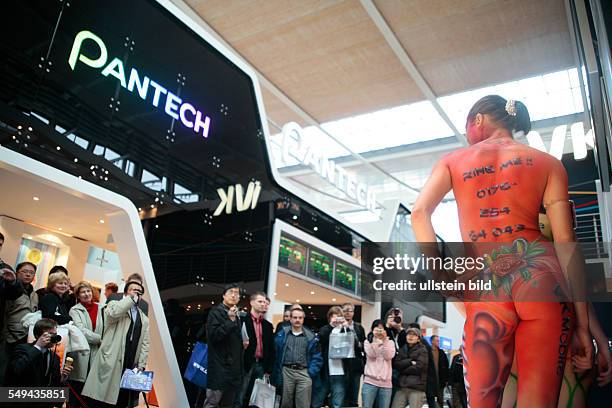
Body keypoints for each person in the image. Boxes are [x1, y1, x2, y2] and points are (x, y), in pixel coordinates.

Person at [411, 95, 593, 407]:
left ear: (478, 120)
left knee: (483, 400)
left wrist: (442, 276)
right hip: (542, 277)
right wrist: (584, 325)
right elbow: (566, 242)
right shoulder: (548, 163)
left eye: (467, 126)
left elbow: (419, 213)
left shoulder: (453, 162)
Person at [82, 280, 150, 407]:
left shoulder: (144, 318)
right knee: (103, 398)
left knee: (122, 398)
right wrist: (130, 300)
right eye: (133, 290)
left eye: (139, 292)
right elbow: (113, 315)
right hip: (112, 357)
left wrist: (141, 363)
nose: (136, 292)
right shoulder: (114, 304)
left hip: (130, 360)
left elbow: (145, 343)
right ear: (125, 293)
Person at [272, 307, 322, 408]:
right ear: (290, 319)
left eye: (300, 317)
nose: (297, 320)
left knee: (303, 404)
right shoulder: (282, 334)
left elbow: (317, 357)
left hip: (304, 372)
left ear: (303, 319)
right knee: (285, 403)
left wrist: (311, 372)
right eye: (295, 317)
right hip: (286, 371)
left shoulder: (311, 337)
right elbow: (275, 354)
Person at [203, 283, 244, 408]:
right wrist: (230, 320)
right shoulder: (215, 312)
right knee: (212, 403)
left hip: (233, 369)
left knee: (228, 404)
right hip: (219, 368)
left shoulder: (236, 315)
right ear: (223, 295)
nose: (234, 295)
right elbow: (214, 336)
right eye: (231, 292)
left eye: (236, 293)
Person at [233, 291, 275, 408]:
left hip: (261, 365)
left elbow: (271, 349)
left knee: (256, 399)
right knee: (239, 396)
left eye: (264, 302)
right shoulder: (241, 320)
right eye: (259, 301)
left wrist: (269, 368)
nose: (262, 304)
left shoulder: (267, 325)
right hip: (245, 363)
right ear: (252, 302)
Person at [4, 318, 72, 389]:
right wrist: (38, 346)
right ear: (37, 336)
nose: (53, 337)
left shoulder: (55, 358)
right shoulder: (22, 349)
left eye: (55, 334)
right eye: (49, 334)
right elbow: (16, 370)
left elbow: (53, 384)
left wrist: (62, 379)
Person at [68, 281, 103, 407]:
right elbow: (80, 330)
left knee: (92, 391)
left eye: (88, 291)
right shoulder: (74, 310)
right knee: (78, 389)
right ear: (78, 295)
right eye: (83, 292)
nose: (86, 294)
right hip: (82, 352)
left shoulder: (101, 307)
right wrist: (100, 339)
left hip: (98, 352)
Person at [312, 306, 349, 408]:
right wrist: (332, 326)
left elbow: (352, 345)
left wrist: (347, 328)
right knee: (317, 401)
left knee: (337, 403)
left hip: (340, 372)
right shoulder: (325, 329)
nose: (337, 319)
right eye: (334, 317)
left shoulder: (345, 330)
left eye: (339, 317)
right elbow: (321, 338)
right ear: (330, 317)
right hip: (325, 371)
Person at [3, 262, 38, 351]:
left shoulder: (35, 294)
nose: (28, 275)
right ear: (17, 273)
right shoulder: (10, 291)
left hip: (28, 338)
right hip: (10, 338)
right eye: (24, 271)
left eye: (31, 272)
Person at [390, 328, 428, 408]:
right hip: (401, 386)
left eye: (414, 335)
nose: (411, 336)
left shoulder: (423, 350)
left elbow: (419, 367)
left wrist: (402, 369)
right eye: (409, 334)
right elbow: (396, 365)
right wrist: (410, 362)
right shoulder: (402, 349)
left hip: (416, 387)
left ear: (418, 339)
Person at [362, 319, 396, 408]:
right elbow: (373, 355)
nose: (379, 332)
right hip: (370, 382)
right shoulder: (367, 342)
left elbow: (388, 356)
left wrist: (384, 341)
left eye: (381, 329)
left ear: (385, 330)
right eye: (377, 329)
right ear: (372, 330)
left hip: (386, 383)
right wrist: (375, 342)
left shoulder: (390, 342)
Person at [341, 302, 366, 407]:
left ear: (353, 312)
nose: (347, 313)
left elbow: (363, 345)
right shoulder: (338, 326)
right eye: (345, 311)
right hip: (341, 364)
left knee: (354, 394)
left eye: (350, 311)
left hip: (355, 364)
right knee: (342, 394)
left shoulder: (359, 327)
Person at [429, 335, 449, 408]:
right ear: (432, 341)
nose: (438, 342)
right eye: (437, 340)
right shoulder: (427, 351)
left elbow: (446, 366)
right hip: (430, 380)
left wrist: (446, 379)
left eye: (438, 340)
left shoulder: (441, 352)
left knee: (440, 399)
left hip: (440, 380)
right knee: (431, 399)